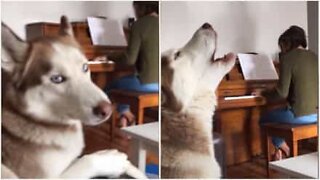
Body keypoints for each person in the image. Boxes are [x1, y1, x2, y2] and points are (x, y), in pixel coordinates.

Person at [258, 25, 318, 160]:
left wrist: (263, 93)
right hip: (317, 114)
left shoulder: (288, 58)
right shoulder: (315, 57)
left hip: (301, 115)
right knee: (278, 114)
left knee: (264, 118)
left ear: (289, 42)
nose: (282, 51)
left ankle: (284, 148)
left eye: (282, 46)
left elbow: (281, 93)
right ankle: (279, 151)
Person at [106, 1, 159, 127]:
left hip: (147, 84)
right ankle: (125, 117)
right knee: (125, 82)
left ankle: (126, 115)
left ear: (141, 7)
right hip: (162, 84)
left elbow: (129, 59)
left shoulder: (139, 24)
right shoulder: (164, 23)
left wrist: (108, 56)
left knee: (109, 87)